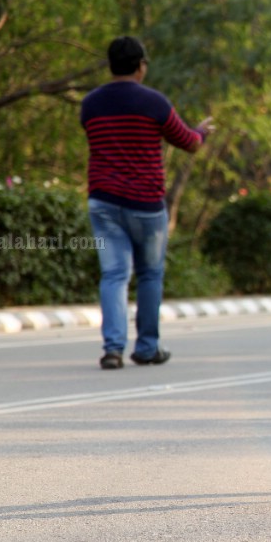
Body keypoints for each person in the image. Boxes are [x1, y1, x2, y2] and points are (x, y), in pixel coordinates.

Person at [81, 36, 213, 370]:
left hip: (103, 201)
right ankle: (147, 347)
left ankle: (113, 349)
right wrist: (201, 133)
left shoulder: (90, 104)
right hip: (146, 203)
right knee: (150, 275)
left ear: (111, 66)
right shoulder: (153, 103)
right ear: (140, 66)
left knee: (113, 274)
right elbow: (188, 142)